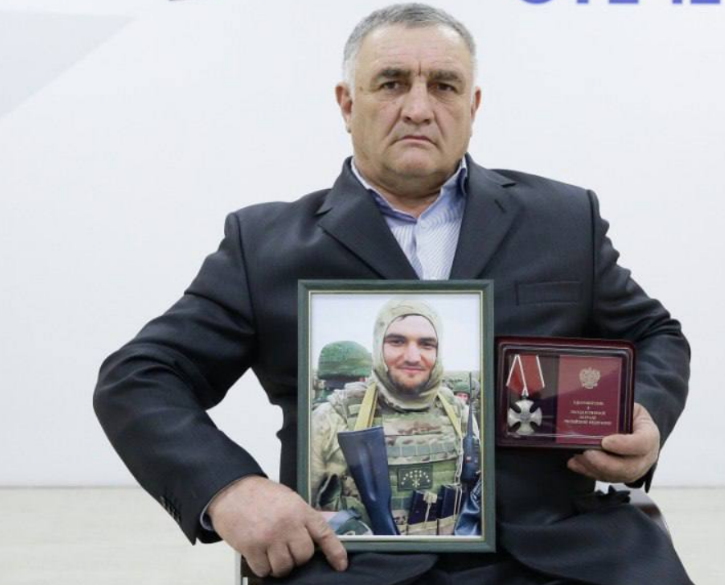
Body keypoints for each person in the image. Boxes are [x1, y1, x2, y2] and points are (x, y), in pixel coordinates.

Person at [94, 3, 692, 585]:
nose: (418, 108)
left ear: (473, 106)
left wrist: (644, 417)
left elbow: (654, 335)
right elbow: (140, 377)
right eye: (392, 83)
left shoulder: (562, 220)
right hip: (351, 560)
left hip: (558, 551)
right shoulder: (265, 245)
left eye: (444, 86)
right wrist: (229, 490)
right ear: (347, 103)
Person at [309, 298, 471, 536]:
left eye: (426, 344)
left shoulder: (459, 414)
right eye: (397, 341)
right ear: (378, 346)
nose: (412, 356)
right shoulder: (332, 416)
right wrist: (337, 524)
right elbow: (294, 513)